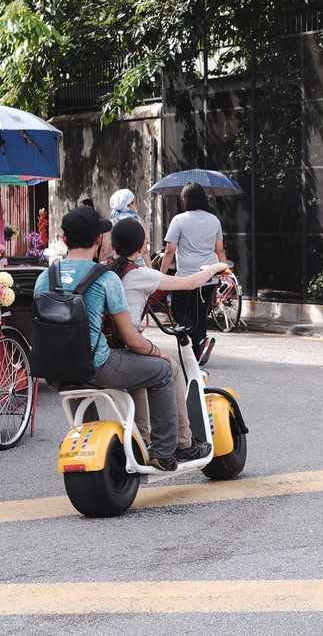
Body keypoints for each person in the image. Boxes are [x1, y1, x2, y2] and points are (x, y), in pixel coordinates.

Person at [33, 206, 180, 471]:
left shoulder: (45, 277)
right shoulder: (105, 278)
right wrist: (160, 353)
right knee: (161, 372)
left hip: (54, 371)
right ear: (99, 239)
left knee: (75, 374)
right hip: (96, 366)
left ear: (64, 239)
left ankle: (88, 439)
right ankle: (164, 453)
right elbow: (132, 340)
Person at [108, 218, 228, 460]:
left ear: (113, 244)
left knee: (139, 379)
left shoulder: (109, 270)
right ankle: (184, 444)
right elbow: (189, 283)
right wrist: (214, 268)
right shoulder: (140, 274)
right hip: (129, 346)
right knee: (170, 368)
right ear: (141, 245)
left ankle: (141, 441)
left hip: (112, 346)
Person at [159, 182, 229, 365]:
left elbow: (169, 251)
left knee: (179, 311)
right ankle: (200, 348)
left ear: (185, 199)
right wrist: (225, 272)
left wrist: (161, 275)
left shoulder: (179, 220)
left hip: (187, 276)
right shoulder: (214, 220)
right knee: (200, 313)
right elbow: (220, 249)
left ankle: (199, 340)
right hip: (209, 274)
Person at [107, 188, 151, 266]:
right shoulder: (139, 222)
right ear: (129, 204)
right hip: (136, 265)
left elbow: (105, 250)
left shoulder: (111, 222)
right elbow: (144, 250)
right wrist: (151, 270)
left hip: (116, 265)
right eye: (134, 202)